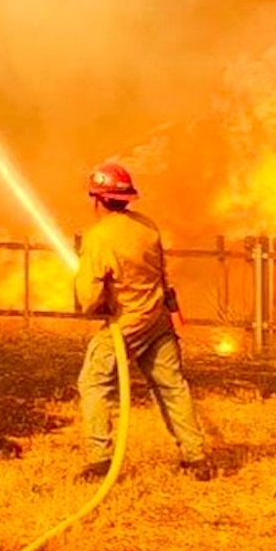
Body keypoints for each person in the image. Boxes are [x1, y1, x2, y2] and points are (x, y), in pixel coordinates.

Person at [72, 161, 213, 482]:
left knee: (93, 384)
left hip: (126, 325)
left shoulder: (99, 238)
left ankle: (100, 461)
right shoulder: (147, 227)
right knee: (173, 387)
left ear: (97, 200)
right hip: (158, 320)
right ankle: (196, 457)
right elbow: (162, 274)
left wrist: (95, 303)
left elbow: (89, 297)